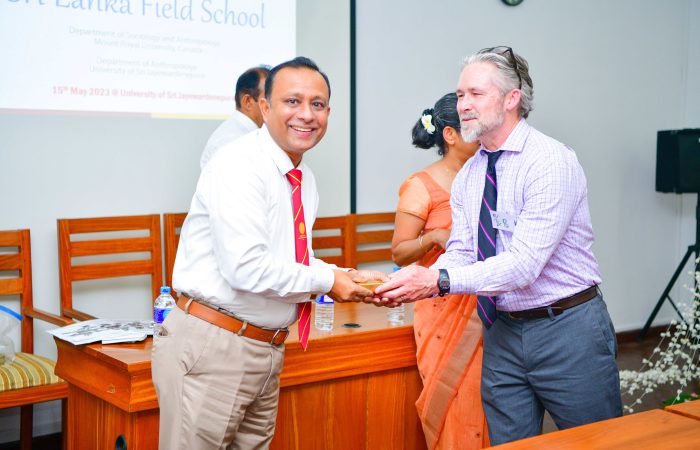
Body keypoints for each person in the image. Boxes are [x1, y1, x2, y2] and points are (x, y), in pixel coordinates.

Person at [375, 47, 622, 446]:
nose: (464, 105)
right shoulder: (471, 174)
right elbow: (462, 250)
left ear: (512, 99)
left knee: (597, 442)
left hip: (567, 329)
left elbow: (524, 265)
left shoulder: (549, 161)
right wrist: (421, 278)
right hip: (503, 330)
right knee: (507, 443)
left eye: (476, 94)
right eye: (460, 95)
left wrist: (438, 280)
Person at [153, 56, 385, 450]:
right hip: (215, 346)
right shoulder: (239, 164)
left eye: (317, 104)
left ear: (328, 113)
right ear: (264, 107)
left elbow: (286, 259)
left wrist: (343, 273)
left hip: (266, 348)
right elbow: (246, 268)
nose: (306, 114)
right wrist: (327, 280)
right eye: (292, 101)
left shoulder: (302, 177)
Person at [392, 93, 487, 450]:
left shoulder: (489, 175)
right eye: (474, 128)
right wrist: (433, 237)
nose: (484, 135)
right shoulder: (421, 185)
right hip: (442, 310)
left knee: (488, 403)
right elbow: (399, 252)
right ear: (450, 135)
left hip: (488, 306)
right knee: (455, 402)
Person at [200, 65, 270, 169]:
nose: (276, 105)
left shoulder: (253, 135)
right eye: (269, 98)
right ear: (247, 101)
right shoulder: (230, 140)